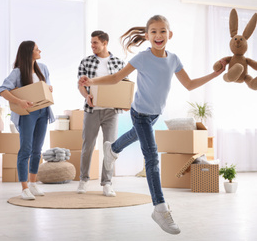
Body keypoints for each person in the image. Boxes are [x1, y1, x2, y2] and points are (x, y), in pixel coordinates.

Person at [78, 15, 225, 235]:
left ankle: (112, 148)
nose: (158, 35)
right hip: (140, 113)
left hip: (155, 113)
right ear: (147, 36)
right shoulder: (142, 58)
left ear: (170, 34)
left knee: (132, 135)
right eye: (154, 32)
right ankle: (160, 207)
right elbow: (116, 78)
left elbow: (190, 84)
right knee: (152, 156)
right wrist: (92, 82)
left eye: (163, 31)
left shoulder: (173, 59)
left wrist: (216, 73)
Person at [0, 41, 55, 200]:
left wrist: (49, 88)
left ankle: (33, 183)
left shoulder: (42, 68)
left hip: (43, 111)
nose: (40, 50)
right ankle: (24, 188)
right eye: (37, 49)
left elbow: (48, 85)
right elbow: (2, 90)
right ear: (29, 53)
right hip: (28, 114)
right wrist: (19, 102)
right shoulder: (17, 72)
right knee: (26, 149)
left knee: (37, 149)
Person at [77, 30, 125, 197]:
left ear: (105, 43)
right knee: (87, 146)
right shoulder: (86, 62)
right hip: (92, 110)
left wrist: (125, 103)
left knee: (110, 148)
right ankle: (83, 180)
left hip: (111, 111)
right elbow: (81, 85)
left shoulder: (119, 63)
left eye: (95, 43)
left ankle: (107, 183)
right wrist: (86, 96)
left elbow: (124, 87)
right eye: (91, 43)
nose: (92, 46)